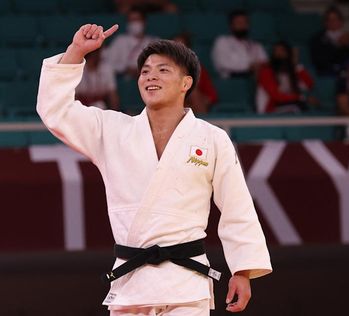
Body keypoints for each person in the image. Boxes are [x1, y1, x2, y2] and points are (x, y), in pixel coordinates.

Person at [36, 23, 272, 315]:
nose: (151, 77)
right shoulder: (112, 131)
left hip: (186, 285)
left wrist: (243, 270)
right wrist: (76, 52)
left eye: (163, 70)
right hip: (130, 285)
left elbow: (237, 207)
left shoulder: (211, 138)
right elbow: (55, 111)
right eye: (145, 71)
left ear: (186, 83)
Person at [256, 41, 316, 114]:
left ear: (289, 54)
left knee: (302, 108)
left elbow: (309, 84)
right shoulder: (266, 72)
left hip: (288, 105)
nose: (279, 54)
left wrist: (296, 65)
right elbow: (276, 96)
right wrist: (302, 98)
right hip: (269, 110)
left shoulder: (292, 73)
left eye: (282, 51)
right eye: (276, 51)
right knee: (297, 107)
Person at [211, 10, 268, 79]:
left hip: (253, 80)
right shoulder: (222, 41)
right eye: (238, 22)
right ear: (231, 25)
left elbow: (264, 62)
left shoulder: (256, 45)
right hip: (231, 81)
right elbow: (223, 63)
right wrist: (249, 66)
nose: (242, 25)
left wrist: (256, 66)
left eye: (245, 22)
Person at [103, 7, 158, 78]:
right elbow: (108, 62)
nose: (134, 23)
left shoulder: (153, 41)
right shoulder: (120, 40)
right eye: (131, 20)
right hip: (126, 80)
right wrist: (125, 69)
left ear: (144, 22)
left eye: (137, 19)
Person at [173, 33, 218, 114]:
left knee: (192, 91)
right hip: (170, 107)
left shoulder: (198, 68)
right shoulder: (163, 69)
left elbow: (211, 97)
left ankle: (199, 123)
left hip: (193, 108)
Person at [309, 6, 349, 77]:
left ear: (341, 22)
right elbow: (320, 61)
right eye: (329, 20)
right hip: (328, 73)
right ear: (325, 23)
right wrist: (339, 46)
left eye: (335, 19)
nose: (332, 22)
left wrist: (348, 45)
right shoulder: (317, 40)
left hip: (348, 72)